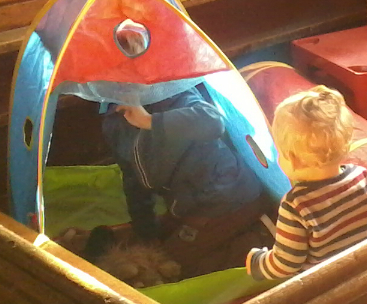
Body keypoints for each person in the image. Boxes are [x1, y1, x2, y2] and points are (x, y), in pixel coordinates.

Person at [100, 84, 268, 279]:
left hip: (228, 196)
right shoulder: (113, 121)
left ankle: (260, 238)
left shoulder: (172, 91)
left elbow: (212, 122)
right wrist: (145, 230)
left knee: (173, 268)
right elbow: (133, 180)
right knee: (151, 246)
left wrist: (149, 121)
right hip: (186, 204)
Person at [247, 85, 367, 281]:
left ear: (293, 160)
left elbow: (286, 264)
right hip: (364, 273)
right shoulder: (364, 178)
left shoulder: (296, 206)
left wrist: (258, 263)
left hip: (325, 286)